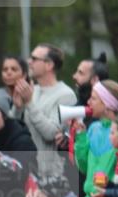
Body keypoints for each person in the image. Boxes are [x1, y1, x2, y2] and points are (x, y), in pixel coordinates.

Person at [14, 43, 75, 176]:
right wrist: (17, 108)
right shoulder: (32, 90)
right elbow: (15, 130)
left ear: (49, 65)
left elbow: (51, 133)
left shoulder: (66, 95)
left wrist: (29, 103)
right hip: (25, 172)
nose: (29, 62)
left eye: (34, 59)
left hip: (50, 176)